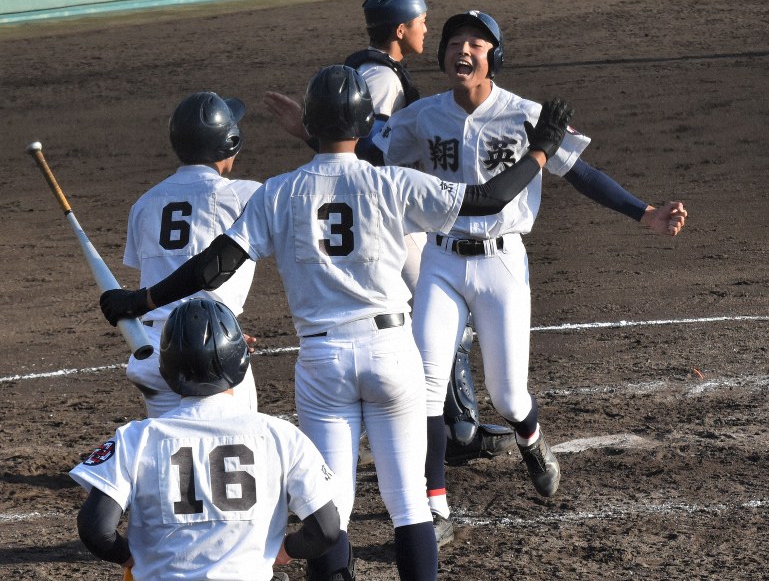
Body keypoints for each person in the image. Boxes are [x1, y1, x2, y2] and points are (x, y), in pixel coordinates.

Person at [99, 64, 574, 580]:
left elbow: (215, 265)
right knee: (409, 502)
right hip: (391, 351)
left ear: (308, 122)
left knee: (331, 509)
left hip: (322, 360)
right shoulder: (392, 182)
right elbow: (488, 199)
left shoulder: (278, 192)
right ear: (367, 123)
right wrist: (540, 151)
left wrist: (143, 299)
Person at [374, 10, 688, 543]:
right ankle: (435, 509)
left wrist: (646, 213)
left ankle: (530, 437)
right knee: (426, 386)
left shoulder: (525, 115)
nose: (462, 50)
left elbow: (581, 173)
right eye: (454, 42)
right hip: (440, 260)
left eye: (476, 43)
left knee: (507, 395)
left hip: (502, 263)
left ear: (494, 56)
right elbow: (368, 159)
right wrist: (317, 132)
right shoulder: (421, 118)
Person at [264, 0, 516, 475]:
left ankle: (453, 427)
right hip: (392, 220)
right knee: (441, 322)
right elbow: (365, 153)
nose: (427, 28)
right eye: (421, 21)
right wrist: (309, 135)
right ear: (401, 29)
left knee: (437, 321)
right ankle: (457, 430)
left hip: (383, 217)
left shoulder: (374, 71)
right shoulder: (380, 78)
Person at [70, 299, 341, 581]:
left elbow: (95, 528)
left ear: (167, 369)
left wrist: (129, 557)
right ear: (241, 361)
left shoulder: (136, 438)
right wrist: (285, 550)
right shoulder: (281, 436)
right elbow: (326, 529)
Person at [121, 91, 262, 418]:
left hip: (156, 347)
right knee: (233, 441)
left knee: (169, 443)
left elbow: (158, 272)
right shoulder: (245, 194)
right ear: (230, 142)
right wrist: (219, 329)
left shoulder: (144, 203)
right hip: (214, 351)